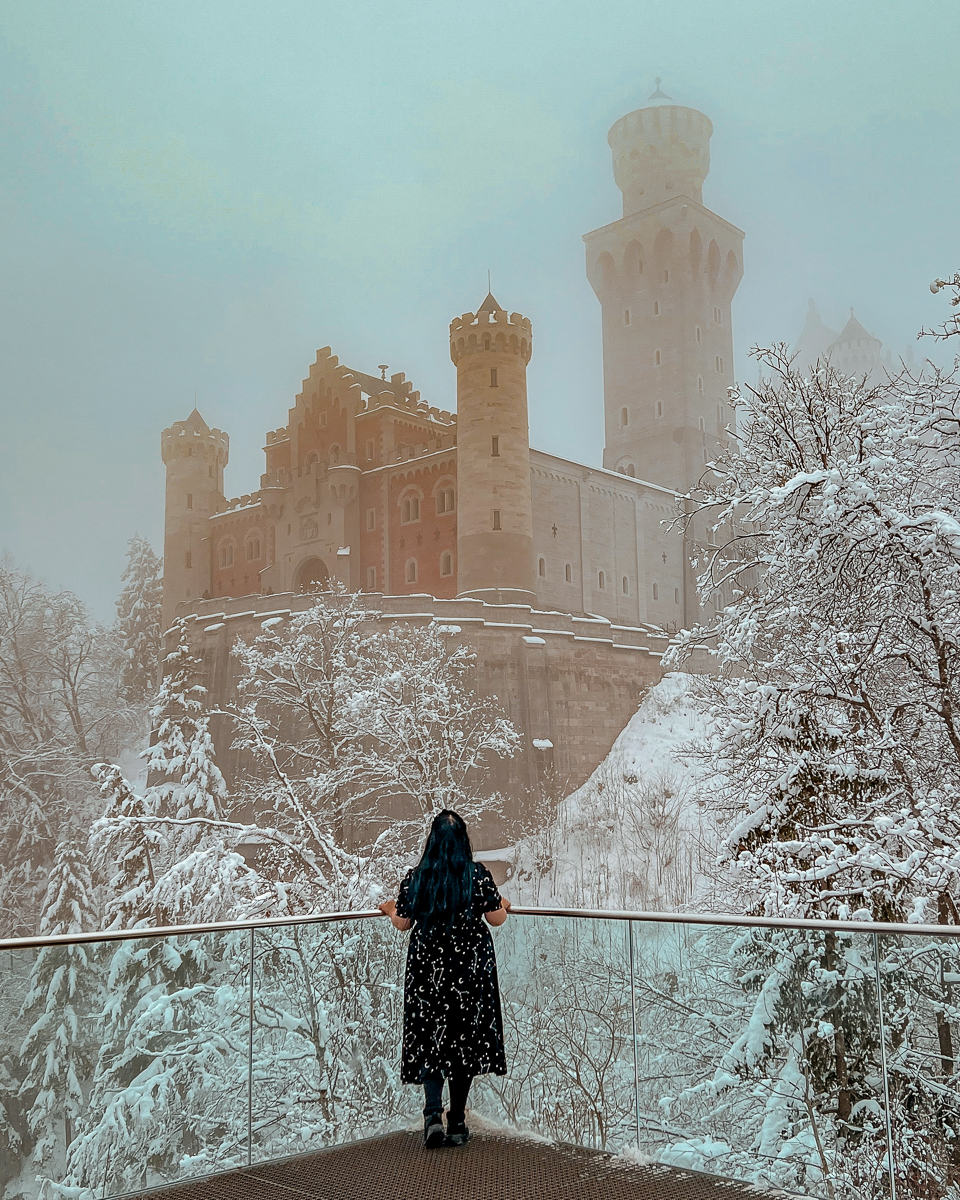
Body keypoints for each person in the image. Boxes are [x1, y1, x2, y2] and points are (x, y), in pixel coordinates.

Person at [379, 809, 511, 1149]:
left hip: (429, 972)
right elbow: (496, 918)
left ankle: (432, 1115)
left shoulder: (418, 878)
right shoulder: (476, 876)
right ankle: (457, 1122)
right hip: (469, 971)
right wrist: (502, 904)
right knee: (463, 1040)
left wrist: (390, 908)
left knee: (430, 1035)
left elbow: (404, 922)